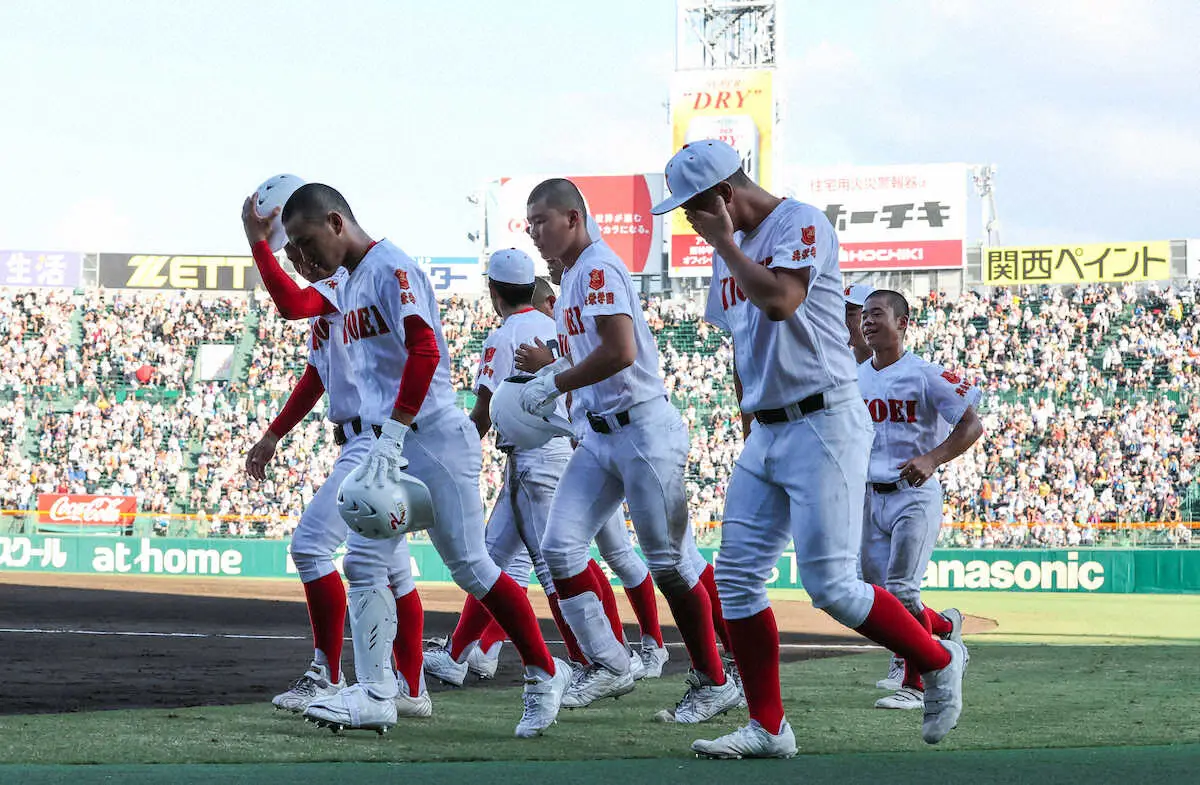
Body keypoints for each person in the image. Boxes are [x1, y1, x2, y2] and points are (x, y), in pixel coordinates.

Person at [649, 139, 967, 759]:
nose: (686, 218)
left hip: (824, 418)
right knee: (737, 579)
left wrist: (723, 243)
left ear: (723, 194)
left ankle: (936, 657)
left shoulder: (801, 222)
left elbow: (779, 300)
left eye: (691, 205)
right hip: (768, 428)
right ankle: (769, 727)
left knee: (834, 587)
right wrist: (749, 421)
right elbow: (742, 340)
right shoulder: (729, 251)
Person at [253, 184, 571, 738]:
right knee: (365, 564)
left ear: (335, 223)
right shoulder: (347, 282)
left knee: (472, 566)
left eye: (304, 244)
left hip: (430, 436)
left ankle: (545, 672)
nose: (300, 259)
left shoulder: (390, 267)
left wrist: (392, 432)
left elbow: (424, 348)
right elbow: (301, 320)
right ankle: (378, 693)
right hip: (389, 439)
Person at [514, 179, 737, 722]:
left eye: (541, 221)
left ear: (573, 217)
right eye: (528, 224)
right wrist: (554, 366)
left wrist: (555, 381)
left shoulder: (594, 268)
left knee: (668, 563)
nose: (534, 233)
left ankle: (715, 678)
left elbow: (620, 351)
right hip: (601, 433)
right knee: (561, 548)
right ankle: (611, 663)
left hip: (640, 431)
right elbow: (594, 351)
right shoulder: (570, 278)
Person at [421, 253, 659, 685]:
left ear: (494, 292)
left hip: (533, 458)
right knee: (493, 557)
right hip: (566, 447)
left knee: (557, 568)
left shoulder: (504, 335)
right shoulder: (557, 327)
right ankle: (459, 655)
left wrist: (448, 453)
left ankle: (599, 660)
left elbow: (482, 412)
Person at [240, 209, 428, 727]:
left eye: (299, 248)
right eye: (289, 251)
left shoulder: (340, 283)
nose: (297, 260)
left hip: (373, 440)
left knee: (310, 546)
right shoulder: (336, 300)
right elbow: (316, 376)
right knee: (393, 571)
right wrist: (275, 433)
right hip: (366, 435)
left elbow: (289, 303)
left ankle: (328, 674)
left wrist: (258, 243)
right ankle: (411, 688)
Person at [858, 289, 982, 710]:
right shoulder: (856, 375)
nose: (868, 322)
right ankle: (946, 626)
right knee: (878, 596)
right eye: (865, 317)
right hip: (869, 496)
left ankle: (917, 683)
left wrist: (933, 457)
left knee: (902, 592)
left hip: (913, 494)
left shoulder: (926, 373)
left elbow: (971, 424)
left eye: (877, 314)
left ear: (903, 322)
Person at [844, 283, 874, 364]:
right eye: (842, 312)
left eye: (850, 314)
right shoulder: (839, 363)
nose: (844, 322)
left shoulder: (895, 363)